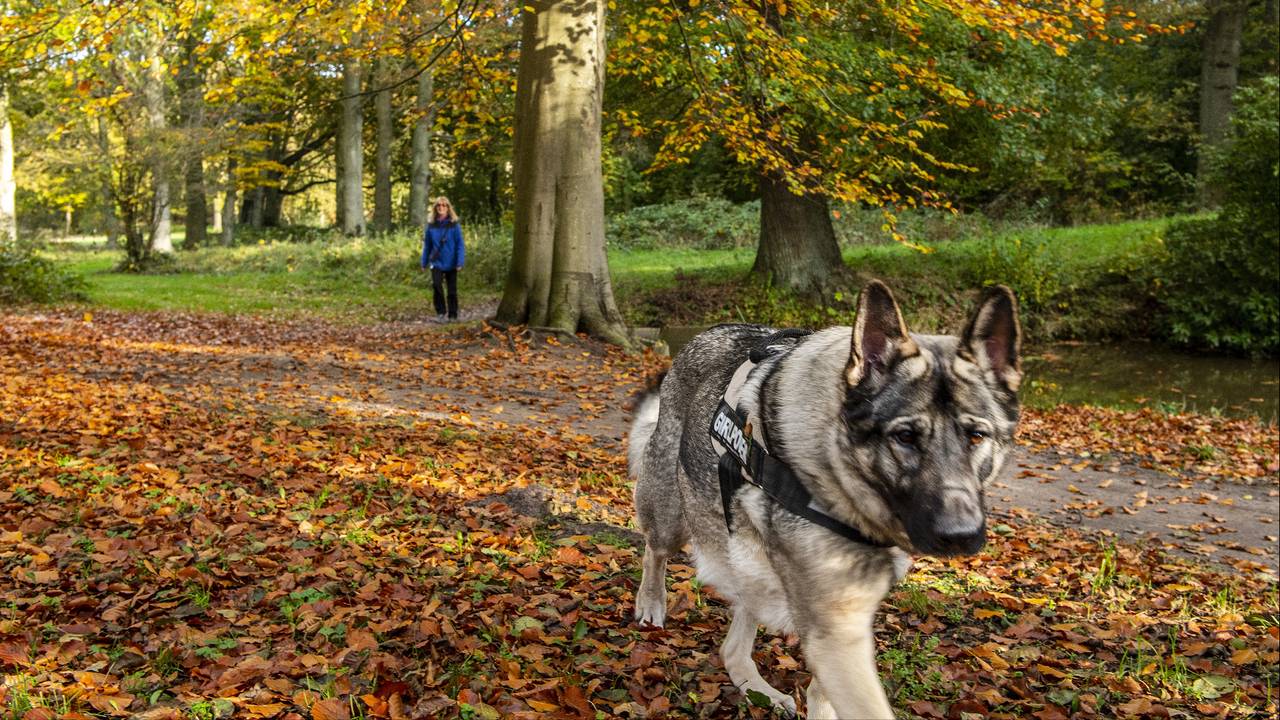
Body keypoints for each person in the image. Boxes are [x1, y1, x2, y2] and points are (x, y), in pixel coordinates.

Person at [421, 197, 465, 321]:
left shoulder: (454, 225)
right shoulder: (431, 226)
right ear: (435, 208)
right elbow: (427, 246)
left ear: (448, 207)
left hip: (452, 262)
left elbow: (460, 244)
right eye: (439, 205)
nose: (441, 207)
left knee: (452, 290)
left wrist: (460, 261)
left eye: (444, 205)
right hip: (436, 262)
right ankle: (441, 313)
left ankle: (453, 315)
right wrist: (424, 262)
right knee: (436, 286)